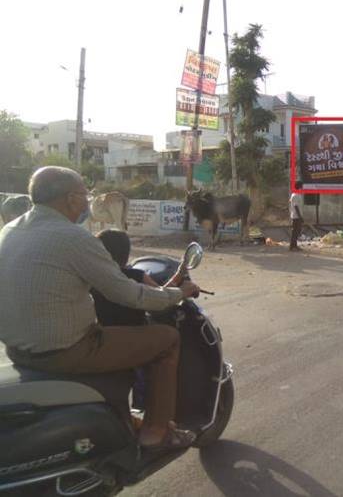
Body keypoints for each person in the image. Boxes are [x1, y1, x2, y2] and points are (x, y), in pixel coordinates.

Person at [0, 166, 199, 452]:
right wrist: (177, 293)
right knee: (167, 339)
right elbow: (128, 294)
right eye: (85, 195)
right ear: (71, 199)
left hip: (17, 349)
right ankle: (157, 432)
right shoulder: (73, 237)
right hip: (65, 350)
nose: (87, 202)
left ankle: (120, 414)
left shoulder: (11, 229)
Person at [91, 229, 169, 410]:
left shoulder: (92, 276)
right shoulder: (136, 276)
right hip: (133, 338)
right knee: (166, 344)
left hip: (102, 338)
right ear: (125, 253)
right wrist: (182, 283)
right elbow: (161, 296)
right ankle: (146, 411)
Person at [289, 181, 304, 252]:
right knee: (295, 231)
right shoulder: (295, 195)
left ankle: (294, 245)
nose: (302, 187)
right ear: (299, 186)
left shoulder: (296, 195)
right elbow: (296, 206)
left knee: (296, 231)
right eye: (302, 186)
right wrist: (300, 217)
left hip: (297, 216)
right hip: (296, 217)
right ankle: (292, 246)